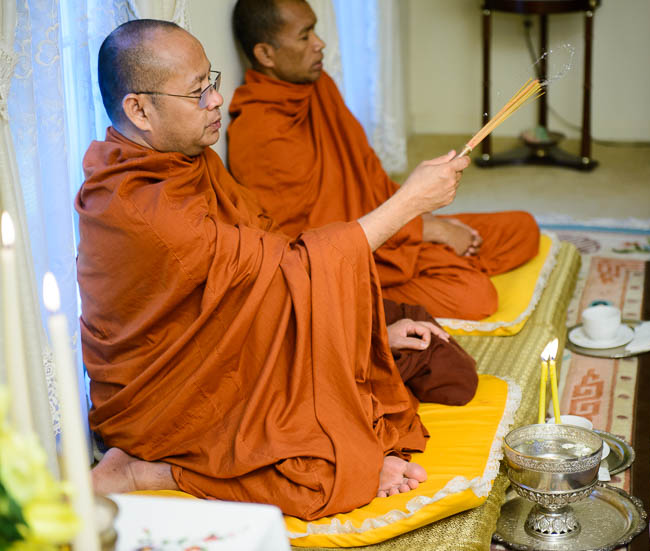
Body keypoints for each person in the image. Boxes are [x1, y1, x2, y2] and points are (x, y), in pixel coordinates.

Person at [79, 19, 472, 521]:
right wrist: (410, 202)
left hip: (230, 346)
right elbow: (290, 269)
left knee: (435, 366)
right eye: (198, 92)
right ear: (139, 109)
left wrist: (363, 330)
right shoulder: (144, 207)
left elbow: (263, 261)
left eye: (212, 82)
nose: (216, 101)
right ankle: (148, 471)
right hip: (168, 400)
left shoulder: (183, 158)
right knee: (331, 472)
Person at [227, 0, 541, 321]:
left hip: (393, 231)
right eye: (305, 36)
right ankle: (387, 289)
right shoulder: (259, 131)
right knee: (476, 298)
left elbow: (368, 176)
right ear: (266, 54)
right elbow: (309, 248)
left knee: (524, 228)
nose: (319, 44)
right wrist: (425, 230)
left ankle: (440, 262)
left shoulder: (318, 86)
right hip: (354, 261)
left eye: (316, 31)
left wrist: (424, 221)